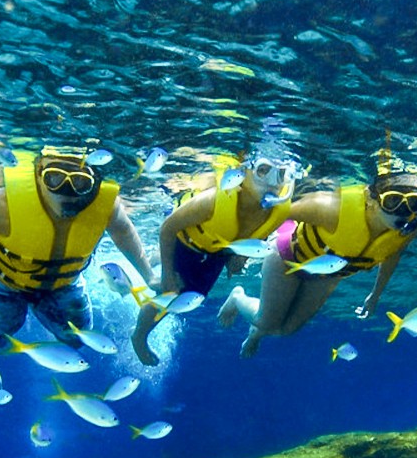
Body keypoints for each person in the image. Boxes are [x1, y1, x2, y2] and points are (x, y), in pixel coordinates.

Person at [0, 143, 154, 390]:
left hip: (64, 283)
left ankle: (45, 352)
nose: (67, 191)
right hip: (3, 282)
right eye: (54, 178)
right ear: (38, 173)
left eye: (80, 182)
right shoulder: (4, 204)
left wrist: (149, 275)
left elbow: (124, 231)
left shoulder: (107, 207)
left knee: (79, 338)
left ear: (95, 182)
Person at [218, 149, 417, 358]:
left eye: (415, 203)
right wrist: (242, 251)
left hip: (328, 274)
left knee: (287, 330)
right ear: (371, 198)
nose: (404, 211)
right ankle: (238, 299)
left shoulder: (408, 231)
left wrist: (375, 295)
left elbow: (391, 255)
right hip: (288, 257)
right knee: (267, 323)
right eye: (393, 201)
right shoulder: (331, 209)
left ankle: (256, 332)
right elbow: (276, 212)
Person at [131, 152, 308, 366]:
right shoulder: (212, 200)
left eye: (281, 175)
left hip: (219, 251)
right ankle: (139, 336)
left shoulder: (276, 210)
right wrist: (167, 275)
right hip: (187, 244)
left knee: (197, 296)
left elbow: (260, 233)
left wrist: (240, 256)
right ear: (244, 172)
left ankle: (158, 260)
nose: (273, 182)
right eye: (263, 171)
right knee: (172, 295)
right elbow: (168, 229)